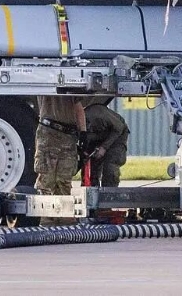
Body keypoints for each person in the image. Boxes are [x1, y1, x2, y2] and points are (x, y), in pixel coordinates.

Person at [34, 95, 85, 225]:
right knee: (48, 179)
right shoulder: (67, 87)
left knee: (61, 179)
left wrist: (83, 133)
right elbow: (78, 108)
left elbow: (78, 108)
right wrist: (83, 131)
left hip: (62, 133)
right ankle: (47, 216)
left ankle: (62, 215)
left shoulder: (68, 89)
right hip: (51, 132)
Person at [81, 97, 129, 188]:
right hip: (97, 137)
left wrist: (104, 147)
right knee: (91, 166)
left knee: (110, 165)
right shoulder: (77, 124)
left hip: (117, 136)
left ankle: (110, 191)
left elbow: (119, 128)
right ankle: (92, 190)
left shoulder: (98, 114)